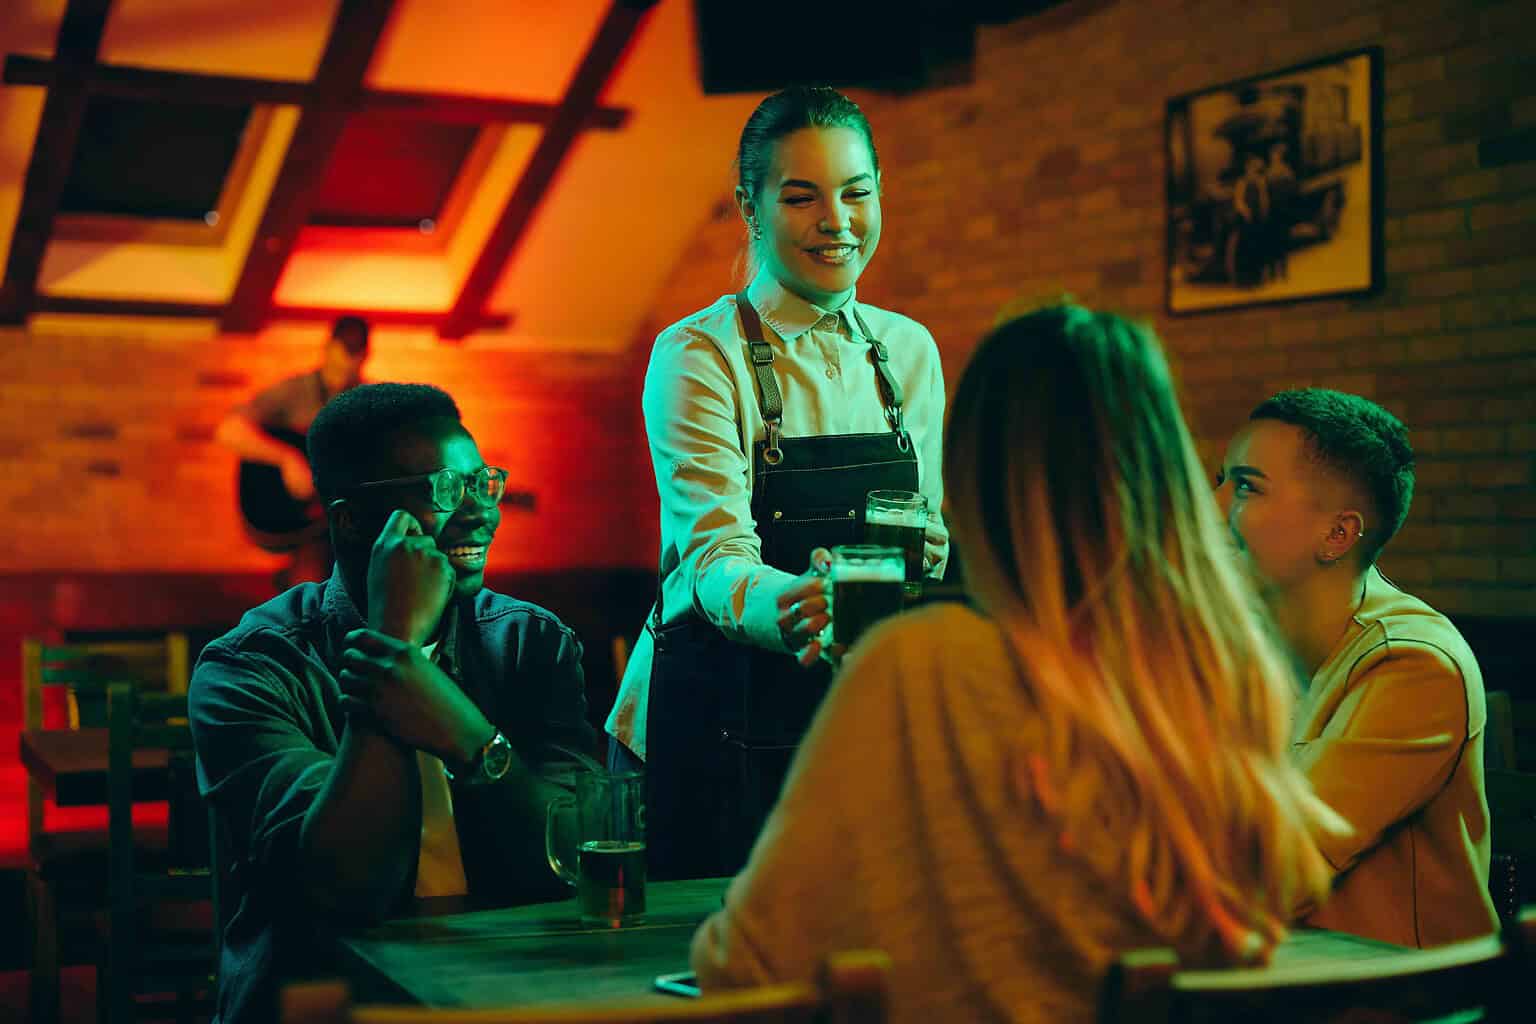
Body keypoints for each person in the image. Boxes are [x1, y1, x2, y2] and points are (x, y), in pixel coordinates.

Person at [690, 305, 1341, 1022]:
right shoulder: (1231, 677)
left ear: (975, 477)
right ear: (1170, 473)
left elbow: (744, 962)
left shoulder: (921, 665)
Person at [605, 85, 949, 880]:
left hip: (850, 717)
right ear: (750, 208)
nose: (838, 221)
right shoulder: (698, 354)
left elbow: (917, 540)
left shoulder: (910, 351)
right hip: (710, 720)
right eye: (802, 198)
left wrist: (931, 551)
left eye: (857, 193)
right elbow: (713, 555)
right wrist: (789, 606)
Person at [190, 383, 597, 1024]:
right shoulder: (253, 666)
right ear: (350, 519)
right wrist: (393, 643)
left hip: (510, 984)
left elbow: (577, 856)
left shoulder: (529, 643)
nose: (477, 512)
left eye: (482, 483)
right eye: (441, 490)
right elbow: (345, 888)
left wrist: (470, 738)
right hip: (325, 995)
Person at [1215, 388, 1497, 947]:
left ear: (1337, 535)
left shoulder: (1416, 665)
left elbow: (1272, 874)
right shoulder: (1249, 645)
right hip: (1274, 979)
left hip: (1391, 1001)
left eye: (1246, 486)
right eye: (1219, 480)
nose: (1211, 506)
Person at [217, 316, 370, 584]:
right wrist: (287, 459)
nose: (344, 366)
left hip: (336, 524)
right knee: (318, 567)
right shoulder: (294, 392)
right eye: (340, 354)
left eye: (353, 356)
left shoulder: (370, 401)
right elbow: (228, 431)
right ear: (328, 348)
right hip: (291, 518)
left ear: (364, 358)